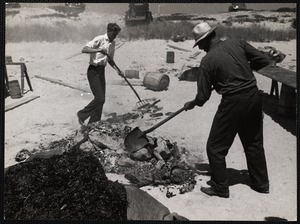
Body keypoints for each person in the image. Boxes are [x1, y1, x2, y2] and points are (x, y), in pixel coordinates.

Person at [184, 22, 271, 198]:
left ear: (207, 39)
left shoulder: (207, 61)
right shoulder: (237, 42)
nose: (200, 48)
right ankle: (261, 184)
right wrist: (244, 67)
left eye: (199, 43)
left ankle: (220, 188)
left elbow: (203, 97)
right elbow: (263, 60)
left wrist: (192, 103)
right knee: (253, 142)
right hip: (254, 97)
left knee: (215, 147)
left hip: (233, 102)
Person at [77, 23, 124, 125]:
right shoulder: (100, 39)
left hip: (101, 71)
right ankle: (81, 115)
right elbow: (84, 49)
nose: (115, 36)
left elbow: (110, 60)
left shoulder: (113, 43)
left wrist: (118, 70)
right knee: (100, 98)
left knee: (102, 100)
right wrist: (98, 49)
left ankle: (93, 123)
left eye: (116, 35)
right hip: (93, 71)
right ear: (109, 32)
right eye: (114, 34)